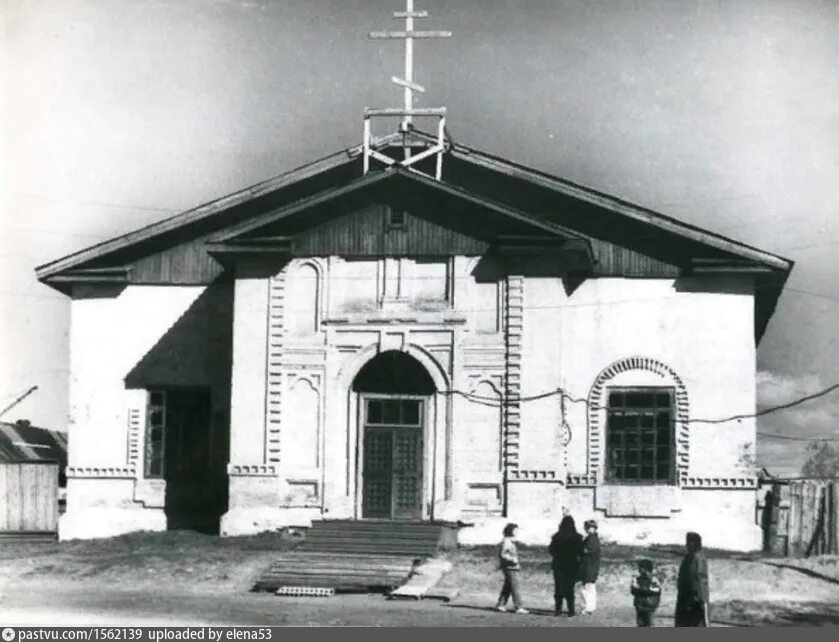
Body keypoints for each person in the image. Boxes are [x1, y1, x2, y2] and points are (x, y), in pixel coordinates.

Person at [548, 515, 583, 616]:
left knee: (558, 587)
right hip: (571, 565)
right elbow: (580, 551)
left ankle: (558, 610)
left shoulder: (556, 537)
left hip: (558, 565)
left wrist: (558, 555)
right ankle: (571, 610)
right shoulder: (577, 537)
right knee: (570, 588)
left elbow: (551, 550)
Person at [675, 531, 710, 627]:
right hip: (684, 598)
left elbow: (702, 579)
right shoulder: (688, 557)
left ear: (693, 543)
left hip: (695, 599)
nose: (686, 545)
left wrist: (703, 600)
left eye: (689, 542)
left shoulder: (699, 558)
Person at [495, 522, 529, 614]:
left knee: (508, 587)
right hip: (510, 567)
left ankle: (500, 605)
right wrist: (513, 560)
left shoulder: (509, 541)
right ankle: (518, 607)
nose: (517, 532)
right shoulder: (507, 541)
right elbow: (503, 554)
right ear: (511, 531)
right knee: (515, 587)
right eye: (515, 530)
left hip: (510, 567)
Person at [578, 519, 601, 615]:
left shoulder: (590, 539)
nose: (586, 529)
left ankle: (587, 607)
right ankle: (590, 607)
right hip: (592, 567)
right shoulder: (595, 539)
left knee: (585, 588)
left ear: (592, 528)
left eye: (587, 528)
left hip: (588, 567)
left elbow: (585, 551)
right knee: (591, 587)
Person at [631, 559, 662, 627]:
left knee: (649, 625)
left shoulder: (654, 580)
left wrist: (640, 589)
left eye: (640, 568)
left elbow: (657, 591)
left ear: (645, 569)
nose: (638, 569)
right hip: (640, 608)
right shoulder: (638, 579)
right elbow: (633, 590)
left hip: (649, 608)